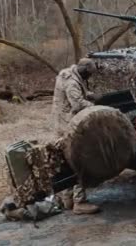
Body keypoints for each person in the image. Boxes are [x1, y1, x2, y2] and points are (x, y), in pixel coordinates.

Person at [51, 58, 101, 214]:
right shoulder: (72, 82)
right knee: (80, 159)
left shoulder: (67, 73)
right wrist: (96, 106)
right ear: (84, 70)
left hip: (60, 123)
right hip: (69, 125)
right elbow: (77, 104)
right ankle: (79, 202)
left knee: (66, 161)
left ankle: (68, 199)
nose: (90, 77)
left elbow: (76, 94)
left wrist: (90, 95)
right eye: (89, 74)